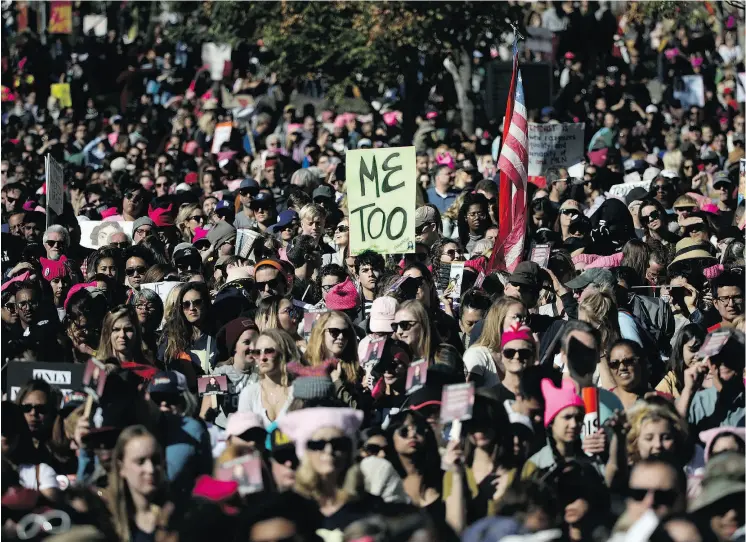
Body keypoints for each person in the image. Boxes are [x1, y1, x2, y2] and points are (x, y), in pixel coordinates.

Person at [105, 425, 166, 541]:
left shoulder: (179, 516)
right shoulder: (108, 521)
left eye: (156, 460)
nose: (150, 469)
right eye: (140, 462)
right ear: (121, 468)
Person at [237, 329, 298, 427]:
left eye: (269, 351)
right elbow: (244, 435)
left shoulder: (298, 392)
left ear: (284, 353)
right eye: (257, 352)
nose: (262, 357)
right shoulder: (249, 393)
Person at [463, 297, 527, 387]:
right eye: (517, 317)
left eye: (525, 319)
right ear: (499, 319)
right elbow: (469, 396)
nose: (523, 323)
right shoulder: (477, 355)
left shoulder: (518, 354)